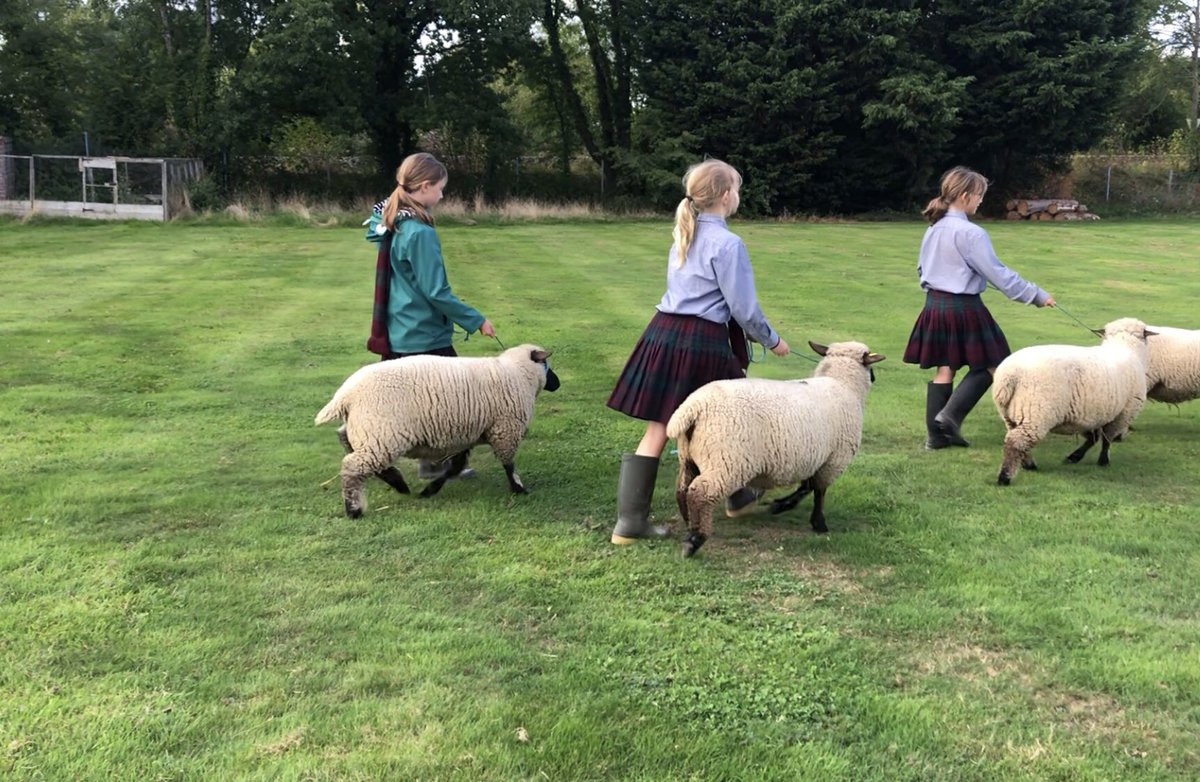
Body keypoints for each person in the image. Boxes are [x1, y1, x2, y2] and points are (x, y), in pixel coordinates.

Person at [606, 159, 790, 544]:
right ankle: (736, 497)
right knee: (729, 417)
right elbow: (743, 309)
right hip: (700, 340)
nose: (738, 195)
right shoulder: (728, 243)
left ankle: (632, 521)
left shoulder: (683, 233)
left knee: (662, 423)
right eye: (736, 189)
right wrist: (773, 340)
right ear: (725, 195)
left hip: (665, 331)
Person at [903, 166, 1056, 450]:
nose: (981, 201)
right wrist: (1036, 295)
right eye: (979, 196)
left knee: (945, 368)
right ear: (964, 196)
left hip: (935, 304)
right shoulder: (971, 233)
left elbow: (922, 268)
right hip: (964, 306)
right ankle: (949, 417)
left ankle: (935, 438)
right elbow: (998, 274)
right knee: (995, 361)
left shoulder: (933, 227)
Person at [364, 152, 496, 479]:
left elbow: (373, 223)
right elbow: (436, 292)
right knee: (448, 403)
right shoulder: (419, 233)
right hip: (423, 334)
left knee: (407, 403)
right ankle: (424, 462)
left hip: (399, 329)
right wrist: (476, 319)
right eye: (439, 188)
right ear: (423, 187)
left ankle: (428, 463)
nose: (442, 195)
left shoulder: (391, 221)